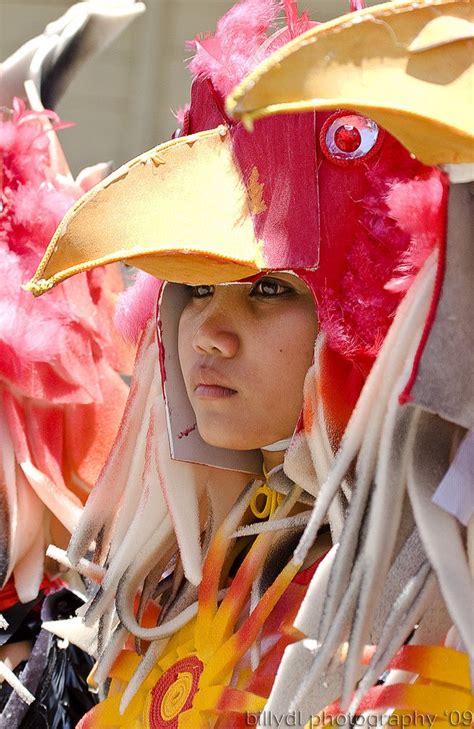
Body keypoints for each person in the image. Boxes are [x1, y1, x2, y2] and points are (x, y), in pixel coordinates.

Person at [26, 0, 466, 727]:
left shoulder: (425, 616)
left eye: (269, 289)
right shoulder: (150, 599)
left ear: (365, 327)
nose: (209, 333)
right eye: (195, 290)